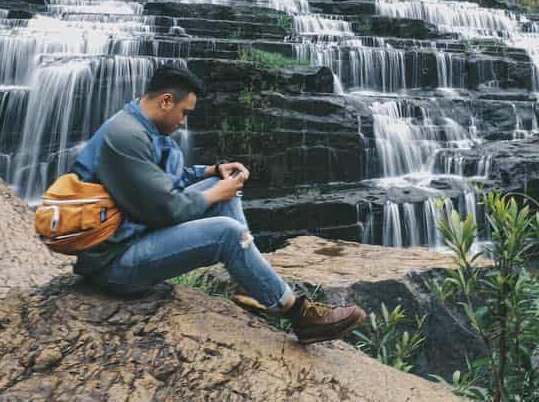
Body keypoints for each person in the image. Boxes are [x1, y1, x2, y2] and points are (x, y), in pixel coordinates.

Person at [71, 64, 366, 344]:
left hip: (133, 234)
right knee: (226, 231)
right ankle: (299, 315)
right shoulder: (125, 136)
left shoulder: (144, 127)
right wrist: (216, 194)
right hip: (113, 265)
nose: (183, 122)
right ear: (165, 101)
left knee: (222, 187)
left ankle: (249, 286)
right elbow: (167, 209)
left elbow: (165, 183)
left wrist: (213, 172)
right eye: (184, 113)